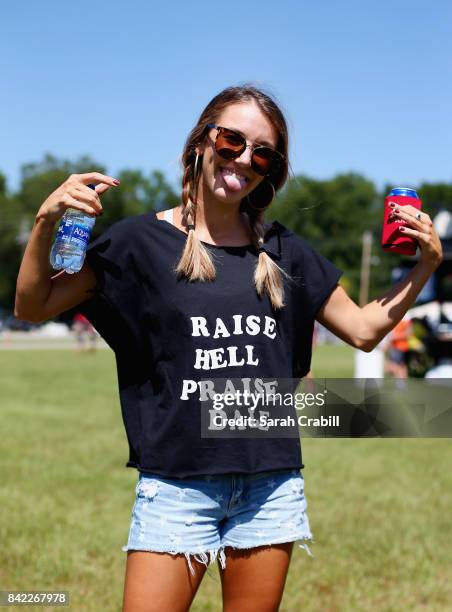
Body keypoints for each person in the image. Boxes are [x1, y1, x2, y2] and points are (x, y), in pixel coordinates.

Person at [14, 85, 443, 612]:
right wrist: (43, 224)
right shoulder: (138, 242)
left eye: (262, 153)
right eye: (231, 141)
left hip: (269, 487)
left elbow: (362, 328)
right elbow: (33, 307)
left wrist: (425, 266)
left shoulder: (285, 249)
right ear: (201, 142)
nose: (244, 159)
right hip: (175, 486)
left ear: (271, 171)